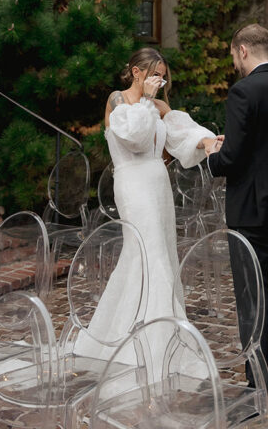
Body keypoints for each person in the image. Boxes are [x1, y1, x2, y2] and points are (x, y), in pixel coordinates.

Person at [73, 46, 219, 363]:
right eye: (154, 75)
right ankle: (150, 344)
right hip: (133, 184)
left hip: (158, 183)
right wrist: (146, 103)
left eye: (163, 78)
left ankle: (152, 333)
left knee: (159, 253)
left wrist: (207, 141)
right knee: (146, 251)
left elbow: (182, 132)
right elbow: (136, 138)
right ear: (137, 72)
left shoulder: (159, 105)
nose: (159, 82)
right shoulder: (118, 100)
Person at [205, 23, 268, 400]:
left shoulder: (243, 92)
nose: (235, 63)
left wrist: (214, 155)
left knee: (252, 298)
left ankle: (260, 385)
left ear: (243, 50)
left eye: (233, 56)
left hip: (249, 210)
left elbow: (232, 158)